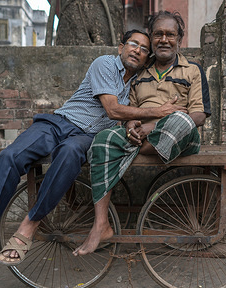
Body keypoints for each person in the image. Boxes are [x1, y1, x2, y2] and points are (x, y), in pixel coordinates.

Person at [0, 29, 187, 268]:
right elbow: (112, 109)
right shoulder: (105, 64)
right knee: (9, 157)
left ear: (147, 58)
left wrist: (136, 125)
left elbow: (130, 115)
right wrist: (157, 112)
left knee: (69, 154)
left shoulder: (140, 84)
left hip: (88, 136)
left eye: (143, 49)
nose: (137, 50)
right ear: (121, 47)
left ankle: (28, 226)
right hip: (59, 123)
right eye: (133, 44)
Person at [73, 10, 211, 256]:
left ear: (180, 38)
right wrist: (131, 126)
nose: (164, 40)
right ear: (152, 38)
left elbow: (198, 115)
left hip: (181, 137)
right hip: (142, 138)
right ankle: (101, 224)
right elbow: (131, 110)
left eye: (170, 34)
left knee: (179, 119)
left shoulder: (192, 70)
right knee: (103, 139)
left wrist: (152, 126)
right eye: (158, 34)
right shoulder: (140, 74)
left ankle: (132, 150)